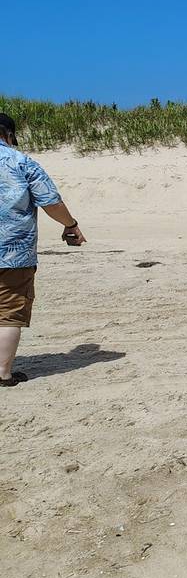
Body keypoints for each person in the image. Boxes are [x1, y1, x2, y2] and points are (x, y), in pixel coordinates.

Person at [0, 112, 86, 387]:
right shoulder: (22, 162)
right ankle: (2, 374)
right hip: (13, 253)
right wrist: (71, 225)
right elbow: (51, 202)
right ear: (9, 134)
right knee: (8, 313)